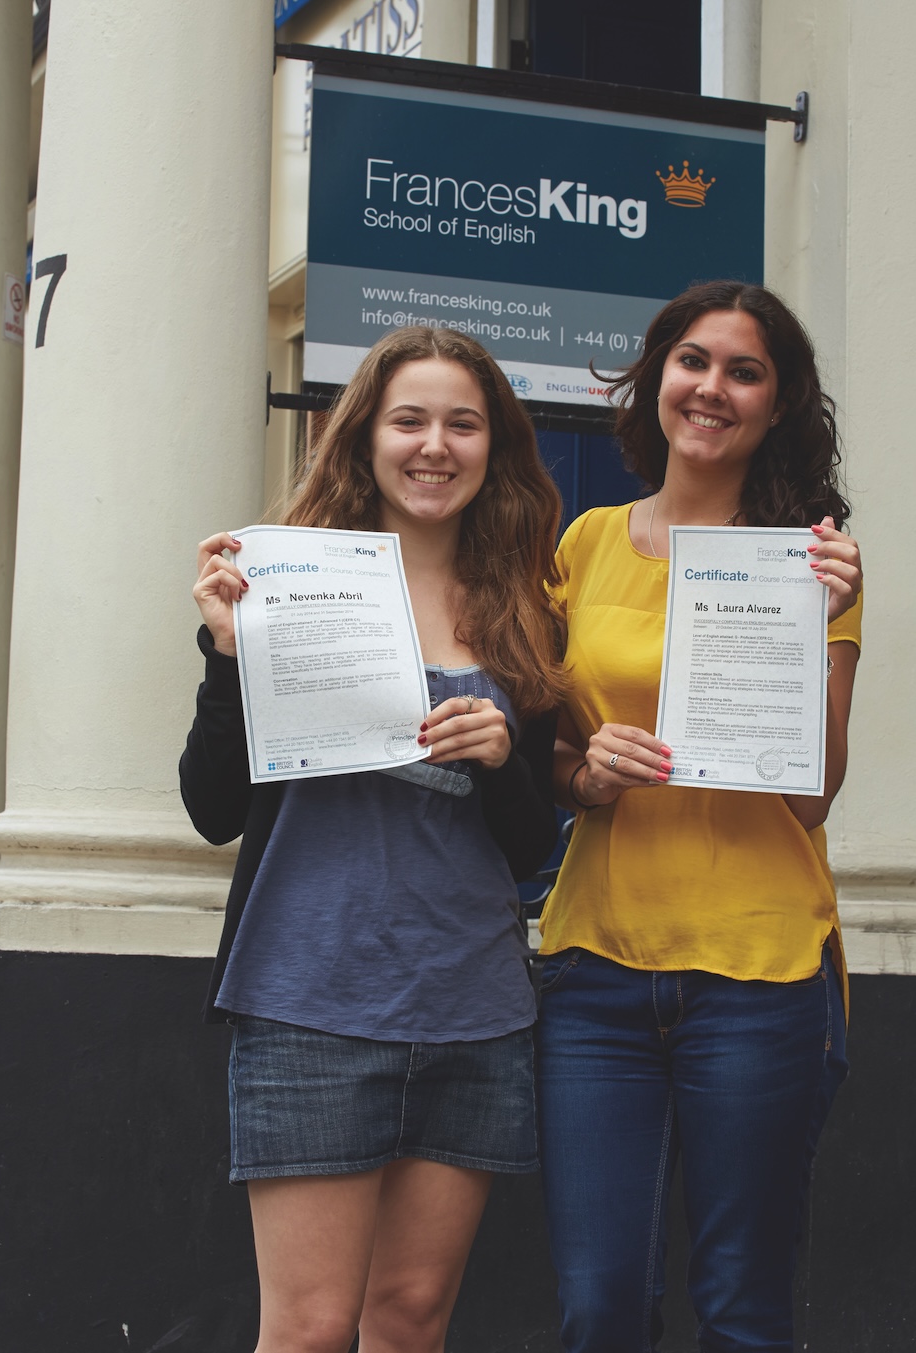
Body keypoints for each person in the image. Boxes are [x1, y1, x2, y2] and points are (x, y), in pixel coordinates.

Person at [180, 326, 566, 1353]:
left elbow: (530, 847)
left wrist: (502, 760)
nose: (434, 445)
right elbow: (212, 808)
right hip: (309, 998)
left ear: (493, 447)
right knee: (308, 1329)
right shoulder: (280, 589)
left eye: (462, 424)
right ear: (363, 437)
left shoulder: (526, 616)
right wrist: (227, 657)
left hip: (474, 1009)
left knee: (409, 1320)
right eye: (409, 420)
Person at [535, 281, 863, 1353]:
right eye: (693, 360)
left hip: (760, 975)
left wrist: (811, 624)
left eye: (744, 371)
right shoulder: (582, 544)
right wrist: (586, 774)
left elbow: (810, 796)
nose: (712, 387)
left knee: (741, 1310)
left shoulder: (810, 561)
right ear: (656, 377)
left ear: (778, 403)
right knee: (598, 1306)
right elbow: (548, 755)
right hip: (595, 971)